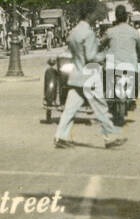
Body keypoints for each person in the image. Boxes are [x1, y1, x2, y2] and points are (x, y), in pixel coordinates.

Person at [54, 10, 126, 149]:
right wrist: (106, 54)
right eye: (94, 14)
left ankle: (60, 137)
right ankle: (110, 138)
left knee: (70, 109)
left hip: (77, 75)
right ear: (88, 14)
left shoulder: (74, 31)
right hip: (90, 75)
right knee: (101, 107)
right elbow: (92, 56)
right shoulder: (88, 33)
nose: (96, 16)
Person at [104, 5, 140, 108]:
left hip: (113, 67)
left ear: (116, 17)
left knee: (105, 80)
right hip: (130, 67)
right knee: (137, 82)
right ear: (126, 17)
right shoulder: (134, 32)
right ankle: (132, 99)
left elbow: (100, 44)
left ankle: (109, 98)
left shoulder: (110, 31)